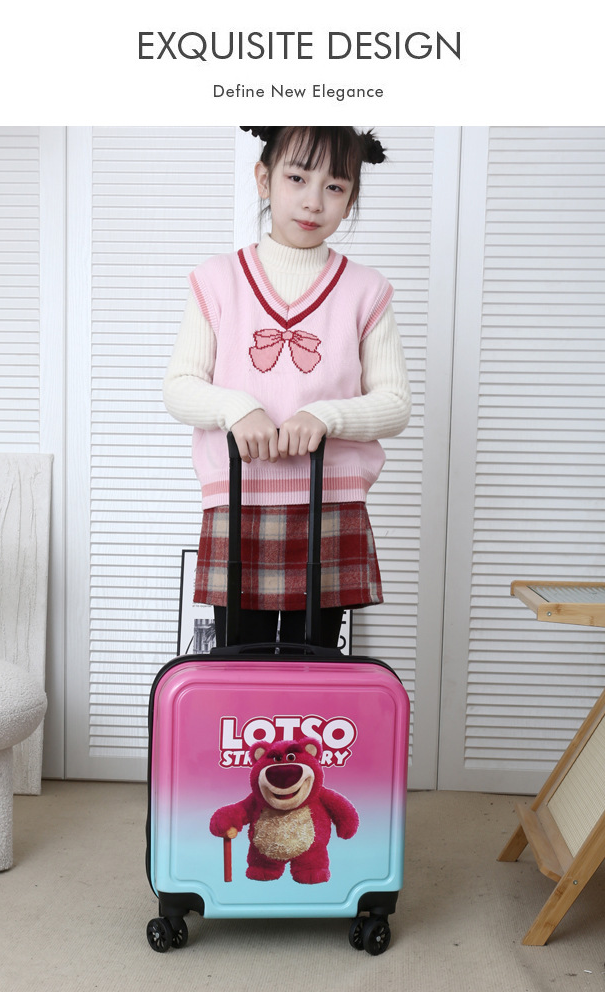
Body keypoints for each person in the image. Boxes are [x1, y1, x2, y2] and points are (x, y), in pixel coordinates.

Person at [163, 126, 411, 649]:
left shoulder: (367, 290)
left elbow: (394, 404)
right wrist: (237, 407)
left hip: (330, 501)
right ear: (264, 179)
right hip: (240, 497)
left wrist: (326, 415)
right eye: (297, 178)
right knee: (240, 665)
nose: (313, 201)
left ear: (351, 199)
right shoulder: (217, 280)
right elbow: (180, 387)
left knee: (314, 667)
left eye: (335, 187)